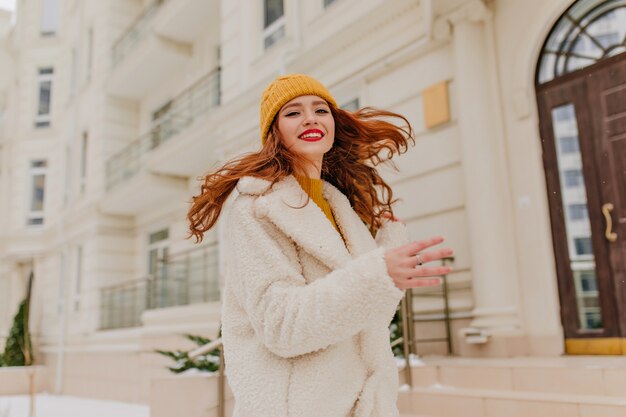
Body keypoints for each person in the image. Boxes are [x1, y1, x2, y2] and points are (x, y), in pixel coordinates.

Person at [187, 74, 453, 417]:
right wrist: (376, 273)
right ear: (275, 132)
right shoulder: (255, 206)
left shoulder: (339, 208)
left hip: (360, 404)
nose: (311, 118)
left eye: (321, 110)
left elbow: (364, 318)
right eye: (293, 112)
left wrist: (388, 248)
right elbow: (281, 326)